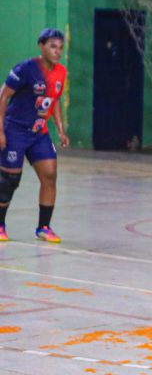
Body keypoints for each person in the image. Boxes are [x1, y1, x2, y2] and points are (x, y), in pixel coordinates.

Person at [0, 28, 70, 243]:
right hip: (15, 130)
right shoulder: (25, 69)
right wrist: (0, 130)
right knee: (9, 180)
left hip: (39, 132)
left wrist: (60, 128)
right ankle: (0, 225)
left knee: (49, 175)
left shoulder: (61, 72)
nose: (57, 51)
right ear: (41, 46)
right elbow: (3, 97)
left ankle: (43, 227)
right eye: (52, 46)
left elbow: (55, 99)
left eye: (60, 47)